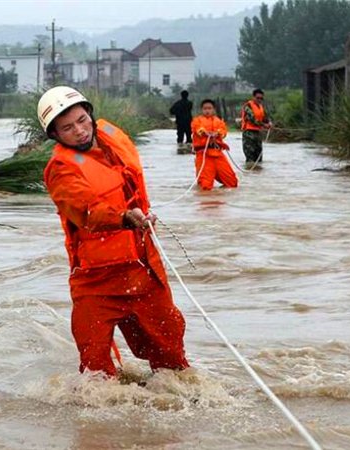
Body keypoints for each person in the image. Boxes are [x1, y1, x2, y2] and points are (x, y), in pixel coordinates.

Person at [39, 86, 189, 378]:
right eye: (68, 128)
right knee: (95, 375)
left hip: (144, 270)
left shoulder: (113, 143)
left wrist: (142, 216)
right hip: (97, 281)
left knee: (173, 361)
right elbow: (85, 209)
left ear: (91, 115)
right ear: (55, 135)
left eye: (82, 120)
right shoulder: (61, 169)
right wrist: (123, 218)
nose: (80, 131)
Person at [190, 99, 238, 191]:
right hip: (204, 154)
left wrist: (217, 133)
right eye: (205, 108)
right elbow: (198, 129)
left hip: (218, 154)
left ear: (214, 109)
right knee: (205, 186)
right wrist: (206, 133)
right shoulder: (197, 120)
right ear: (202, 110)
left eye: (209, 108)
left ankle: (220, 197)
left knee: (232, 182)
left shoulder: (219, 121)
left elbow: (223, 132)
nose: (207, 111)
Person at [241, 88, 272, 164]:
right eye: (257, 98)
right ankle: (250, 173)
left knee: (259, 158)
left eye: (261, 98)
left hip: (258, 133)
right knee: (250, 158)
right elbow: (252, 119)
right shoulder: (248, 106)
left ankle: (258, 174)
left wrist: (269, 122)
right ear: (253, 97)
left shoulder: (261, 107)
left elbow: (265, 117)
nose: (259, 100)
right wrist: (264, 125)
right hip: (248, 134)